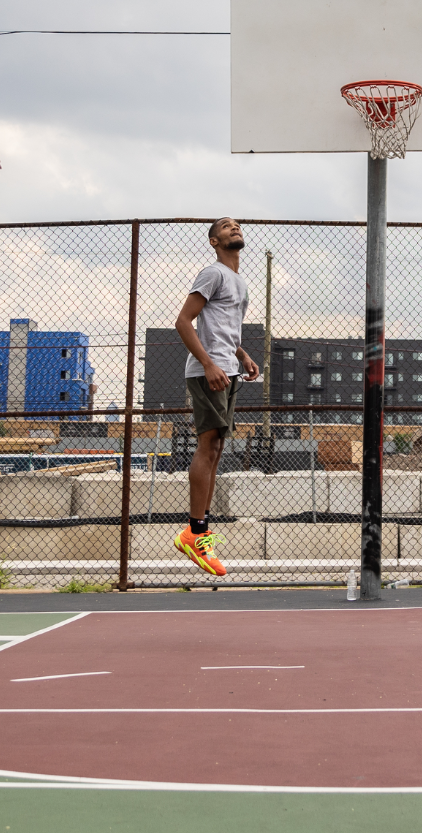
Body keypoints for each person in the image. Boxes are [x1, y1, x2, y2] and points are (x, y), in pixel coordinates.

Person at [172, 217, 260, 577]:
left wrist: (242, 356)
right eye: (225, 226)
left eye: (237, 225)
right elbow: (183, 321)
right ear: (213, 241)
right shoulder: (213, 273)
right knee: (208, 446)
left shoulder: (238, 282)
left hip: (228, 369)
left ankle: (200, 530)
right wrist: (208, 364)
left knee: (218, 447)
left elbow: (224, 328)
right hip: (208, 372)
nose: (234, 228)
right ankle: (195, 532)